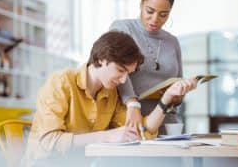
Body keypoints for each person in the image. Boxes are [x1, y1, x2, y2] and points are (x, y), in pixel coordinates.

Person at [23, 31, 196, 166]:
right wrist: (106, 136)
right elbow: (48, 141)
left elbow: (141, 131)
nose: (123, 80)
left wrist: (166, 100)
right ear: (100, 59)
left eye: (127, 74)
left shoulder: (111, 93)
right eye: (120, 71)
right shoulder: (60, 83)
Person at [109, 0, 183, 134]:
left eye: (164, 14)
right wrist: (132, 102)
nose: (155, 19)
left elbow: (178, 80)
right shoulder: (122, 28)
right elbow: (117, 71)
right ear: (141, 4)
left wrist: (178, 96)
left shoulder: (172, 42)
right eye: (150, 11)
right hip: (132, 120)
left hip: (167, 124)